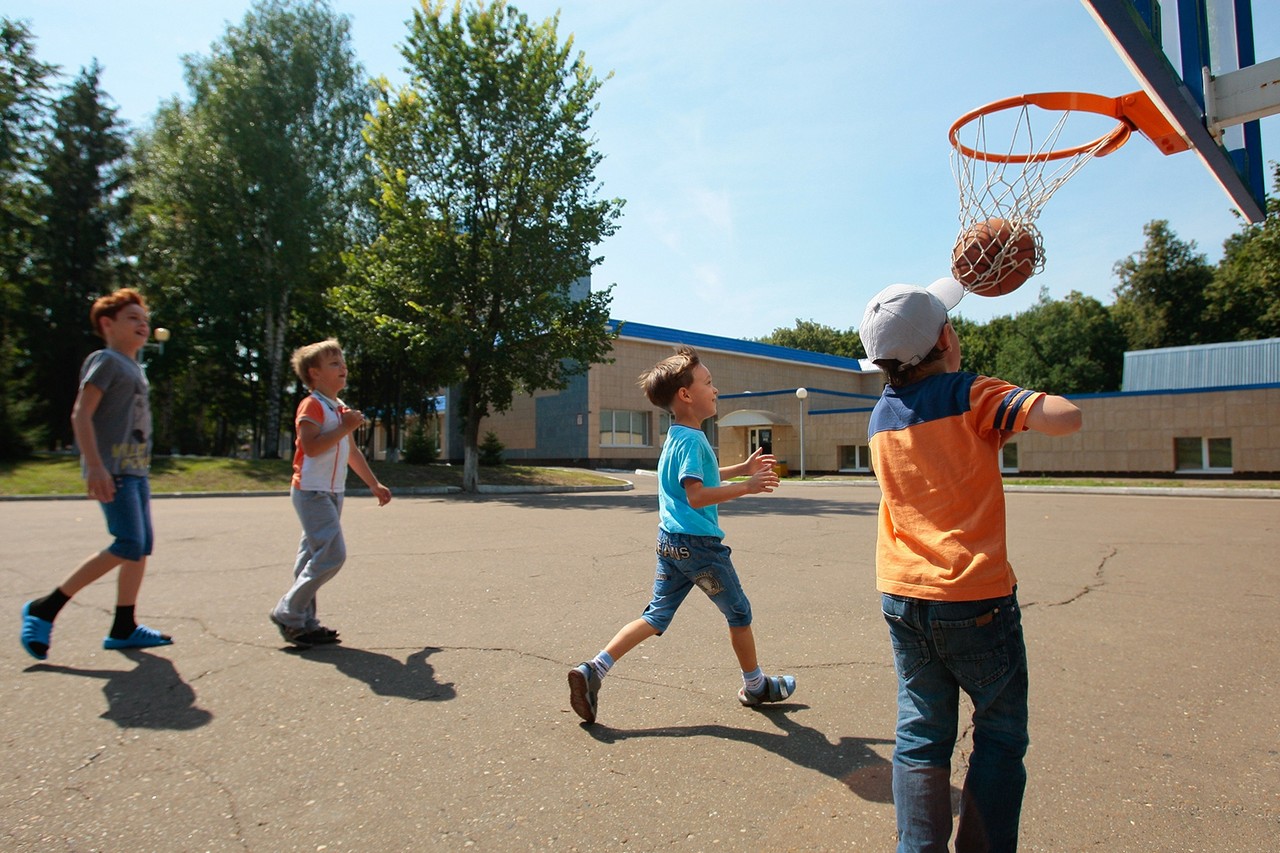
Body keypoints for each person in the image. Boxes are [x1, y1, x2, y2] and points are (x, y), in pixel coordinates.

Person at [859, 281, 1083, 852]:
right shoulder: (974, 394)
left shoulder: (880, 417)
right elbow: (1066, 417)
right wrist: (1020, 398)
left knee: (920, 734)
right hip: (974, 595)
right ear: (946, 339)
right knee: (1000, 735)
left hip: (904, 594)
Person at [568, 345, 794, 724]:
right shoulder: (692, 440)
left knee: (656, 615)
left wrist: (741, 468)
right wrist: (748, 486)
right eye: (708, 382)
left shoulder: (678, 435)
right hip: (699, 547)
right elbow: (697, 495)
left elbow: (699, 477)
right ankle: (755, 685)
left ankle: (595, 668)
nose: (715, 389)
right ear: (686, 395)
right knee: (739, 612)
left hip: (670, 543)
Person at [20, 288, 173, 659]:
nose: (142, 324)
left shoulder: (135, 368)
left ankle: (124, 627)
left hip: (135, 470)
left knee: (140, 548)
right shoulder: (105, 360)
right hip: (114, 469)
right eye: (132, 318)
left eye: (144, 319)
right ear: (107, 324)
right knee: (129, 543)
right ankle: (44, 608)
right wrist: (95, 465)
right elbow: (81, 414)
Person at [269, 340, 391, 649]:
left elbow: (351, 453)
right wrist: (345, 426)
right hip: (311, 490)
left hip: (333, 492)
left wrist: (373, 484)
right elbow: (311, 447)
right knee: (332, 555)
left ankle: (303, 624)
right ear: (315, 373)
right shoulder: (312, 405)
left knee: (310, 558)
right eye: (334, 363)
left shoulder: (338, 407)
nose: (343, 367)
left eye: (343, 362)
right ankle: (288, 611)